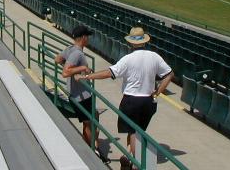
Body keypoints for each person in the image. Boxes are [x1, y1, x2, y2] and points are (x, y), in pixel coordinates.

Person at [78, 27, 173, 169]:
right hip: (148, 101)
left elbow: (109, 73)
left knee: (133, 132)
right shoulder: (154, 56)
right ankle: (129, 155)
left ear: (131, 43)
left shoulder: (128, 59)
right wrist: (158, 91)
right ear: (145, 41)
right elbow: (169, 74)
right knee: (138, 131)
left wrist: (86, 76)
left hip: (131, 101)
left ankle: (134, 162)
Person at [54, 25, 108, 163]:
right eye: (87, 36)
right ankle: (93, 152)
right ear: (83, 37)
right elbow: (65, 72)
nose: (88, 39)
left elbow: (58, 59)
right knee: (90, 123)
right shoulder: (77, 53)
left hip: (78, 94)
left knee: (92, 118)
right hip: (81, 96)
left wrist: (75, 71)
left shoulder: (70, 49)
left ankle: (91, 146)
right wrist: (82, 68)